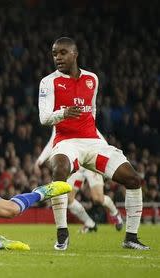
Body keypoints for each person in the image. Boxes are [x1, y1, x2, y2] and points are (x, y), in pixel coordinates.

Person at [38, 37, 149, 250]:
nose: (58, 57)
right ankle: (62, 234)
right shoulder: (48, 82)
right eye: (54, 54)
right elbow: (44, 118)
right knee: (59, 170)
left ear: (75, 54)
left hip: (93, 142)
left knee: (133, 179)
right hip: (67, 143)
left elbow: (93, 111)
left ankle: (131, 238)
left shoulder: (92, 79)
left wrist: (94, 136)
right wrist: (63, 113)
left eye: (63, 53)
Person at [36, 129, 124, 234]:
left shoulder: (82, 117)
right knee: (68, 198)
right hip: (77, 163)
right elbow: (52, 142)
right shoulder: (59, 121)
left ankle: (115, 213)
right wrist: (40, 160)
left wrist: (105, 162)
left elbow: (100, 140)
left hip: (91, 160)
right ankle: (90, 224)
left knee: (98, 199)